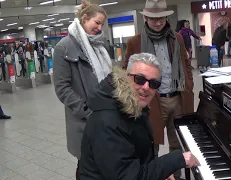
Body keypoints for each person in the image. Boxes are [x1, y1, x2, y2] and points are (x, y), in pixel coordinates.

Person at [79, 53, 200, 180]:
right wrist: (173, 161)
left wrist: (161, 170)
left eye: (153, 83)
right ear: (126, 77)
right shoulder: (107, 121)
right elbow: (127, 176)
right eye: (140, 79)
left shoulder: (135, 107)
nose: (146, 87)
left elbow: (139, 155)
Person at [123, 0, 194, 179]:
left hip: (177, 97)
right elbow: (127, 71)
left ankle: (175, 176)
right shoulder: (136, 42)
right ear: (146, 17)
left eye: (161, 18)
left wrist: (189, 85)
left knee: (177, 143)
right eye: (153, 19)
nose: (158, 22)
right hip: (152, 100)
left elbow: (185, 63)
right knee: (150, 144)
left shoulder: (176, 38)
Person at [52, 0, 112, 179]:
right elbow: (62, 88)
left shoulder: (100, 46)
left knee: (105, 161)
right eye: (97, 22)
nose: (100, 28)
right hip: (84, 119)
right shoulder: (64, 47)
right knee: (86, 165)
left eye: (102, 24)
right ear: (84, 18)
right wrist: (87, 110)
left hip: (106, 116)